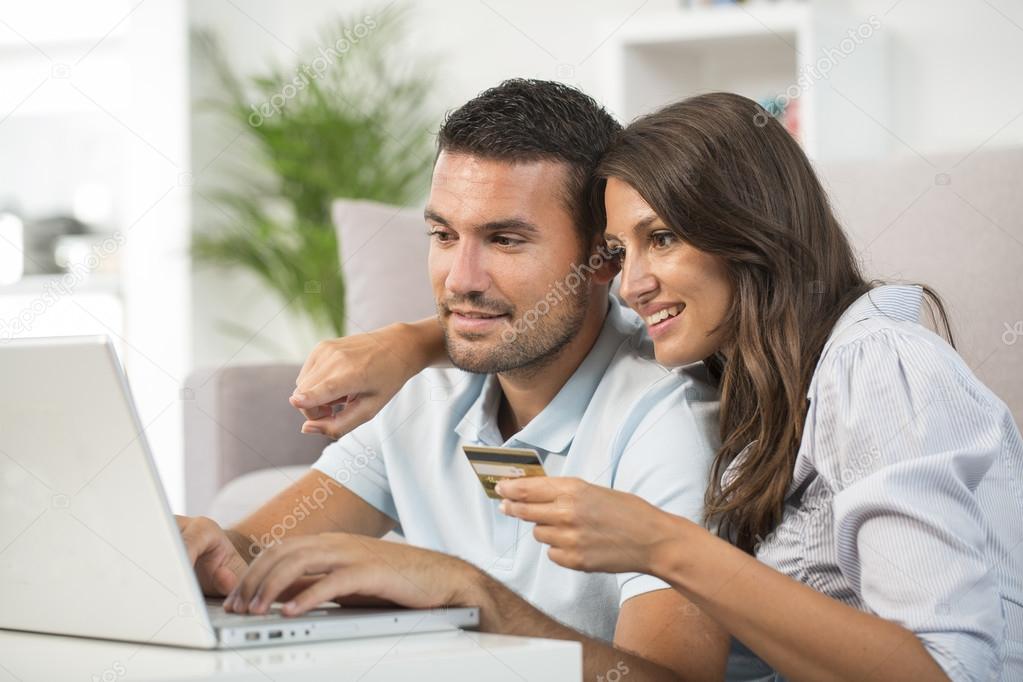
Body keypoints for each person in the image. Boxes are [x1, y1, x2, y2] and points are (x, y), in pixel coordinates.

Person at [290, 92, 1023, 680]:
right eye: (617, 250)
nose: (631, 284)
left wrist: (663, 546)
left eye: (662, 238)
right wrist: (412, 343)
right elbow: (548, 324)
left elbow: (944, 672)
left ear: (751, 232)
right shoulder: (734, 363)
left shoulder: (879, 368)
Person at [178, 79, 728, 680]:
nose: (460, 279)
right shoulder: (431, 396)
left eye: (505, 240)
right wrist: (206, 549)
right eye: (443, 235)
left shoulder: (667, 416)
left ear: (603, 258)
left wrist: (469, 594)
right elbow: (253, 553)